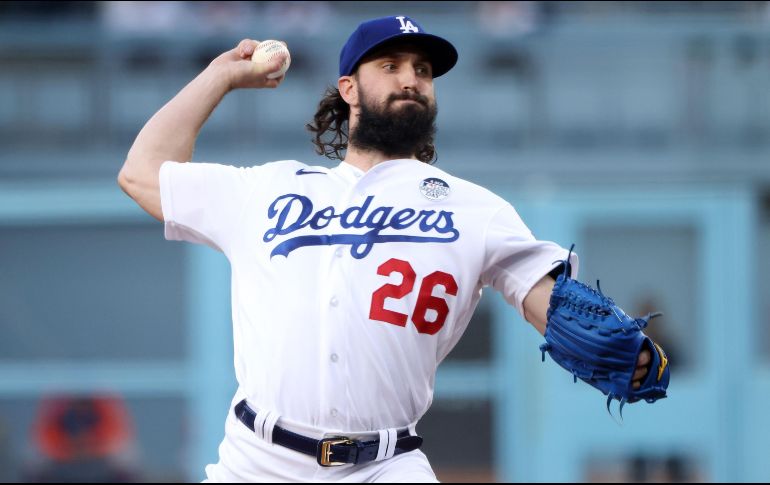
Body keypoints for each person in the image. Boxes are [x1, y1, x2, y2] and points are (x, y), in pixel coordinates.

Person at [118, 15, 653, 483]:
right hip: (257, 460)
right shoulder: (270, 188)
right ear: (348, 89)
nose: (411, 79)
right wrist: (220, 77)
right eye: (391, 66)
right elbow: (141, 173)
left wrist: (620, 346)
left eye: (423, 71)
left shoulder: (475, 210)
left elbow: (547, 299)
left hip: (385, 464)